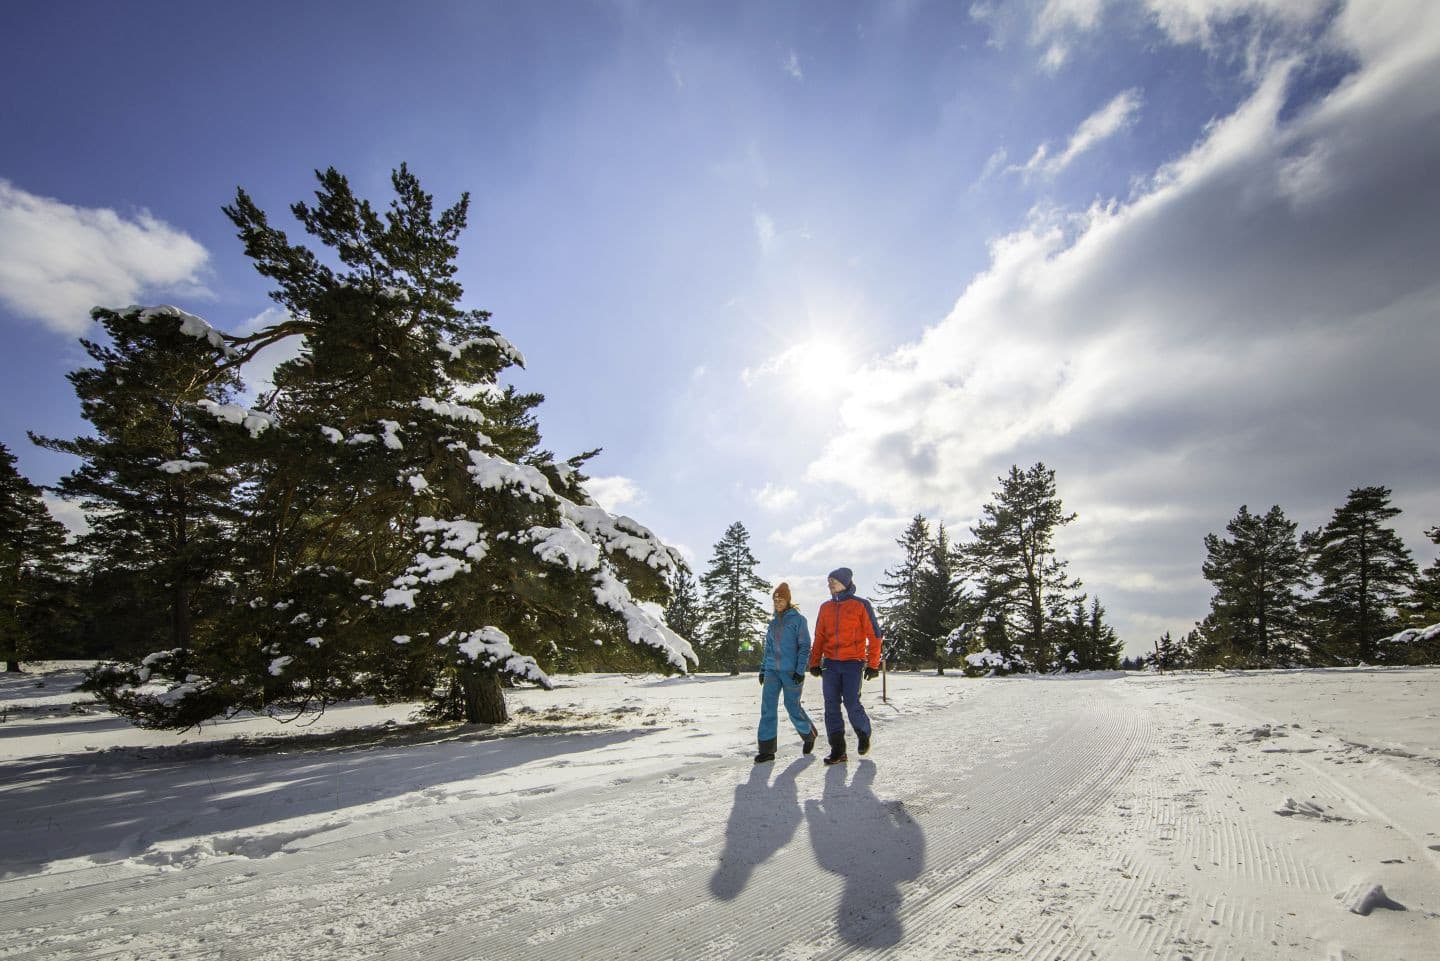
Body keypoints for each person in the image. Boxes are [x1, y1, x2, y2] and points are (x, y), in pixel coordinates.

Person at [807, 567, 882, 765]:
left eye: (834, 581)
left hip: (853, 663)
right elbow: (820, 637)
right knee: (831, 705)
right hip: (830, 664)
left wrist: (873, 664)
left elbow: (874, 636)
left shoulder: (861, 605)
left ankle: (863, 733)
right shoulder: (825, 608)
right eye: (829, 581)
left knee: (851, 702)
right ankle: (838, 750)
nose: (830, 584)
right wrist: (814, 662)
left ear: (845, 582)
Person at [755, 582, 817, 763]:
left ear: (788, 600)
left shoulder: (798, 620)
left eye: (780, 599)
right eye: (775, 600)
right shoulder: (773, 623)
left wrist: (800, 670)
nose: (777, 602)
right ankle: (766, 750)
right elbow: (768, 649)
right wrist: (763, 669)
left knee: (792, 707)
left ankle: (809, 734)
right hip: (772, 671)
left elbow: (805, 646)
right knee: (767, 709)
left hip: (791, 672)